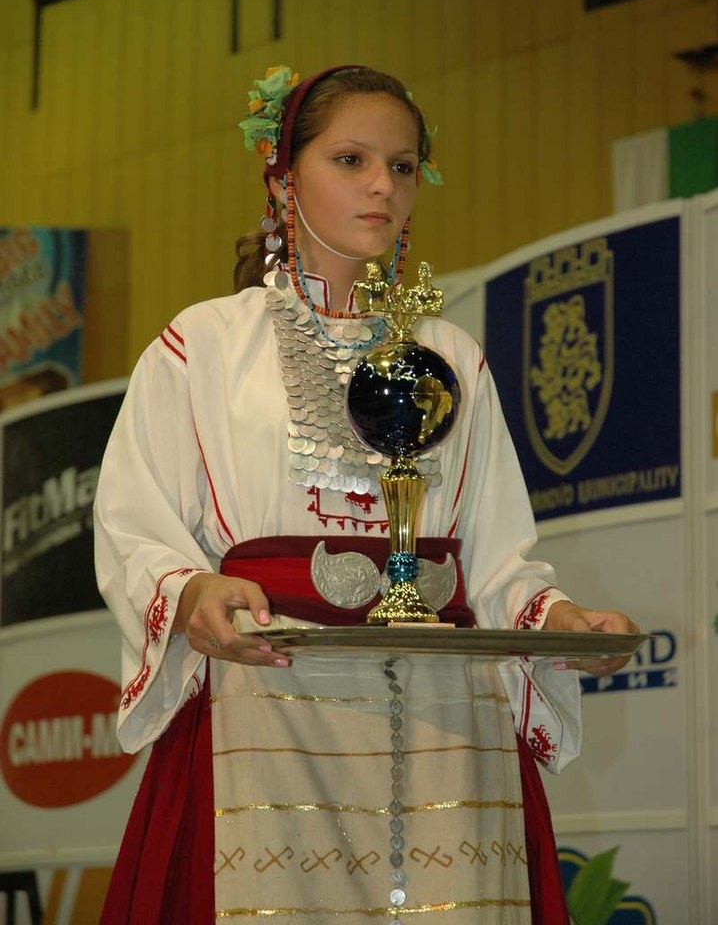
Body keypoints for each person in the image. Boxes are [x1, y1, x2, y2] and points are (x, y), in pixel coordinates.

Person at [94, 64, 639, 924]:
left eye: (405, 165)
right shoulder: (202, 346)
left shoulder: (454, 357)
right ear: (282, 179)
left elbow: (496, 560)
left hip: (444, 732)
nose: (384, 185)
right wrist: (189, 589)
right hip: (266, 712)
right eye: (351, 159)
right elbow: (134, 520)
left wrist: (558, 622)